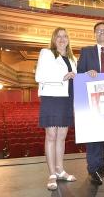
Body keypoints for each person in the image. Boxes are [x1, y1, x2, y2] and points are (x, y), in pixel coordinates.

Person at [77, 21, 104, 185]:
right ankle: (93, 169)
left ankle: (101, 166)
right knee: (93, 136)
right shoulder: (86, 51)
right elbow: (79, 74)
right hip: (92, 101)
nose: (102, 33)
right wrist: (87, 73)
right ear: (95, 34)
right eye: (99, 31)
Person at [35, 27, 77, 190]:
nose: (62, 39)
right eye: (58, 36)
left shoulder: (73, 58)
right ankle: (52, 173)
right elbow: (39, 76)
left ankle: (60, 170)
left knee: (61, 136)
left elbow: (76, 79)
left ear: (68, 40)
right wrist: (62, 77)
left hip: (67, 99)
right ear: (54, 39)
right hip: (51, 98)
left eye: (65, 36)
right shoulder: (46, 53)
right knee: (51, 135)